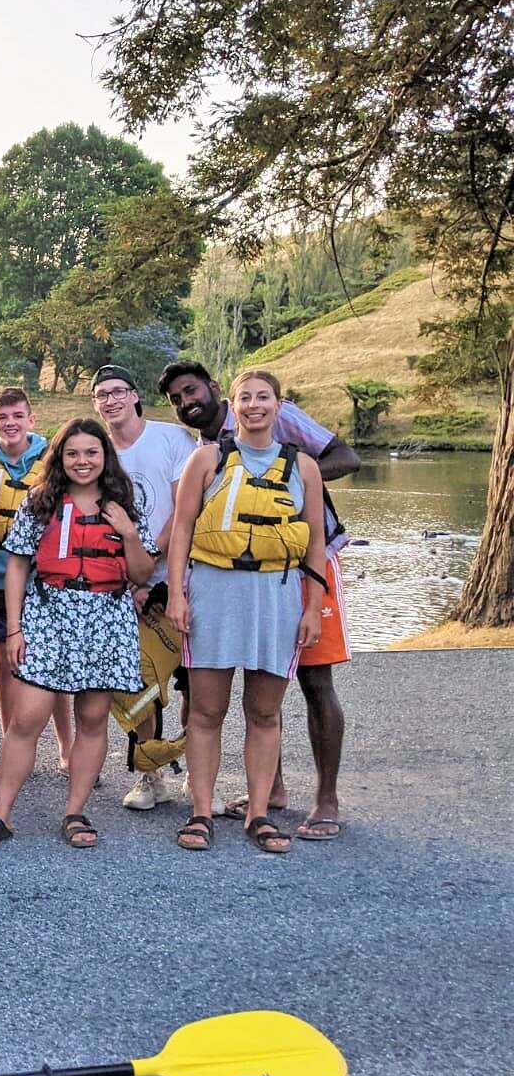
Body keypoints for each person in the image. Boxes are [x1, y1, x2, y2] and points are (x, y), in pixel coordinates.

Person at [160, 360, 357, 840]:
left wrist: (312, 607)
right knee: (206, 710)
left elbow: (313, 542)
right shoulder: (205, 460)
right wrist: (177, 595)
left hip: (277, 595)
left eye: (262, 397)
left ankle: (260, 814)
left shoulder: (303, 466)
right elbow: (182, 529)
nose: (253, 406)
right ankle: (201, 812)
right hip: (215, 590)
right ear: (235, 403)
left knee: (265, 712)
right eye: (245, 397)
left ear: (278, 405)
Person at [0, 419, 157, 850]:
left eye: (91, 452)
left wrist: (128, 532)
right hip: (49, 615)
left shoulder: (127, 502)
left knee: (92, 719)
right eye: (73, 453)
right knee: (26, 718)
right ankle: (1, 814)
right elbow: (16, 563)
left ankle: (75, 811)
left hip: (106, 620)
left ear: (105, 456)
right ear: (60, 457)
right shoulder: (41, 501)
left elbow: (143, 573)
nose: (82, 461)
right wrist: (14, 627)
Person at [88, 365, 200, 813]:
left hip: (179, 577)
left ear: (134, 396)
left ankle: (196, 768)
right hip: (126, 588)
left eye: (118, 391)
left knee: (194, 682)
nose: (111, 401)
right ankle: (149, 774)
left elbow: (184, 507)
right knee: (138, 683)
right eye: (101, 395)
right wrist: (129, 578)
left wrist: (151, 562)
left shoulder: (171, 439)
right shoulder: (98, 452)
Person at [0, 387, 70, 789]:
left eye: (17, 416)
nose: (9, 424)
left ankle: (68, 748)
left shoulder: (53, 463)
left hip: (45, 581)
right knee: (3, 658)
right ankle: (12, 743)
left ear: (31, 419)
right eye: (2, 417)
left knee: (54, 664)